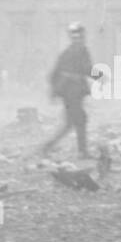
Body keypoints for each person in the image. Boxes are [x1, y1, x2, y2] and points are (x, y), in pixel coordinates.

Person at [40, 22, 97, 159]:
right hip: (73, 92)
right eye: (78, 36)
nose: (80, 38)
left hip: (68, 93)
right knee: (80, 120)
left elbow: (53, 74)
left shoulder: (66, 52)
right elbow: (86, 68)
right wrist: (102, 77)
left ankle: (48, 146)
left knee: (71, 123)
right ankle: (82, 152)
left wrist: (56, 91)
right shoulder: (81, 50)